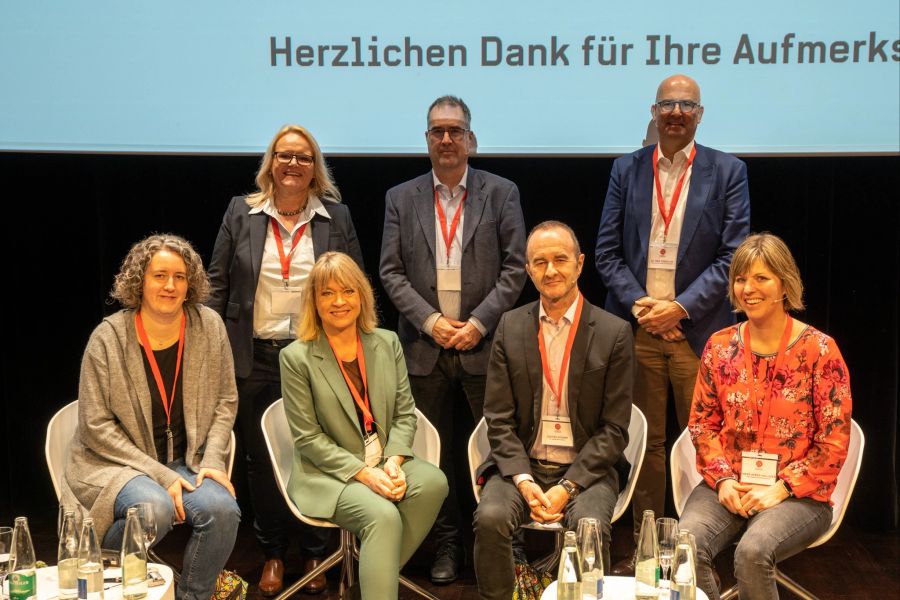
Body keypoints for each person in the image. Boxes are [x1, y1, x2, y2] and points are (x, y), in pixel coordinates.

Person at [594, 73, 751, 571]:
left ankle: (695, 547)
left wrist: (679, 308)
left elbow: (733, 258)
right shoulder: (626, 169)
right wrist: (644, 306)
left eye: (687, 105)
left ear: (700, 115)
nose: (677, 112)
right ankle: (647, 549)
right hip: (638, 328)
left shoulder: (728, 171)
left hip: (695, 331)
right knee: (647, 443)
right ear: (654, 111)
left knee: (697, 440)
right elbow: (607, 253)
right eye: (668, 104)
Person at [207, 124, 364, 595]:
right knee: (260, 459)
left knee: (317, 452)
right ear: (270, 163)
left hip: (316, 356)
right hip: (253, 354)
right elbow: (217, 282)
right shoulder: (242, 211)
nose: (292, 164)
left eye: (302, 156)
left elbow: (356, 284)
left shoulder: (336, 217)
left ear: (315, 167)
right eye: (284, 155)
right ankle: (273, 552)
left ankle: (318, 552)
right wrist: (210, 346)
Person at [379, 95, 527, 582]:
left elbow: (515, 267)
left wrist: (478, 323)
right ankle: (445, 547)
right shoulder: (401, 197)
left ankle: (505, 546)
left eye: (455, 130)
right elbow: (390, 272)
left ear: (470, 139)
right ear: (426, 141)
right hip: (423, 349)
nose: (446, 139)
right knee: (431, 455)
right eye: (437, 131)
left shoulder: (501, 192)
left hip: (484, 346)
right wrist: (431, 321)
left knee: (498, 449)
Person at [62, 234, 240, 600]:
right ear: (139, 281)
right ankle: (101, 567)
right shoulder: (108, 338)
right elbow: (95, 426)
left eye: (179, 276)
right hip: (117, 464)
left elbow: (226, 400)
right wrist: (159, 475)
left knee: (223, 510)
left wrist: (212, 460)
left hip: (188, 460)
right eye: (160, 275)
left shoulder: (209, 326)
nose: (170, 285)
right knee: (153, 509)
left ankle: (191, 596)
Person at [679, 233, 852, 599]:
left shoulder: (820, 350)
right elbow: (702, 423)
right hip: (731, 484)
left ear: (784, 283)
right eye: (741, 279)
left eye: (761, 278)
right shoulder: (719, 346)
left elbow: (833, 442)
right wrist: (724, 480)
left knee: (753, 553)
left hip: (798, 494)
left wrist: (781, 488)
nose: (748, 288)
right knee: (686, 545)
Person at [473, 221, 633, 600]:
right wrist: (525, 481)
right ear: (528, 270)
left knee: (590, 525)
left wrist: (566, 487)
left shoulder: (614, 332)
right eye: (539, 262)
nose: (550, 271)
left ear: (579, 264)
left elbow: (614, 429)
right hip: (523, 466)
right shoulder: (510, 327)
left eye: (560, 259)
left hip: (586, 472)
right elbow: (498, 418)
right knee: (491, 518)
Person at [280, 252, 448, 599]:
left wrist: (394, 462)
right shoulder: (296, 357)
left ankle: (369, 586)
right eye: (327, 293)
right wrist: (365, 473)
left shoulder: (386, 343)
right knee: (382, 516)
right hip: (326, 474)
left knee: (433, 482)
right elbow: (309, 439)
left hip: (382, 461)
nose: (339, 301)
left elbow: (405, 413)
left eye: (348, 291)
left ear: (362, 295)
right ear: (314, 301)